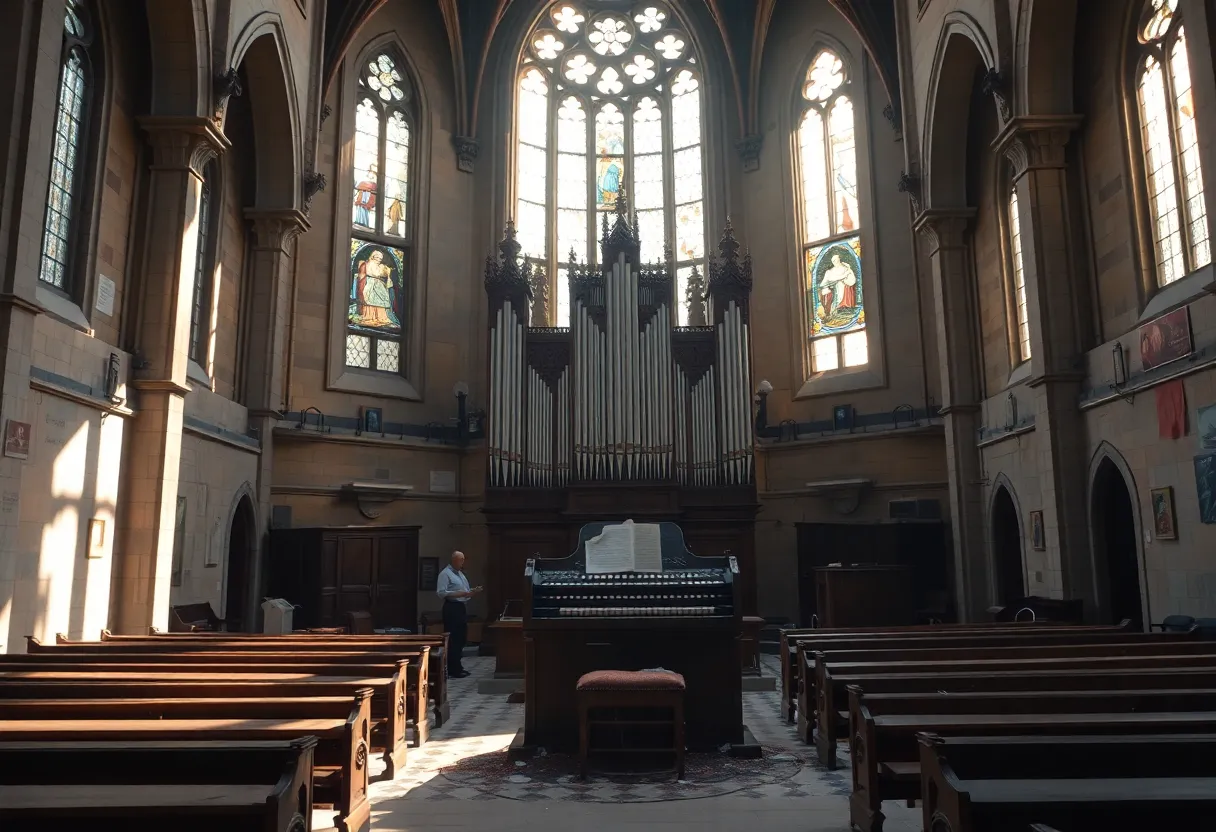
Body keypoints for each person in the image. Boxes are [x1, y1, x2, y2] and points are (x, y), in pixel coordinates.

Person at [436, 550, 482, 678]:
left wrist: (471, 592)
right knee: (453, 639)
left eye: (463, 560)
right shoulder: (445, 574)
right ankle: (452, 668)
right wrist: (460, 594)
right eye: (460, 560)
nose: (462, 562)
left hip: (461, 607)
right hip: (451, 608)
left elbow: (464, 591)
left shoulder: (460, 574)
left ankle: (458, 665)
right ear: (454, 560)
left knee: (461, 638)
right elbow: (441, 593)